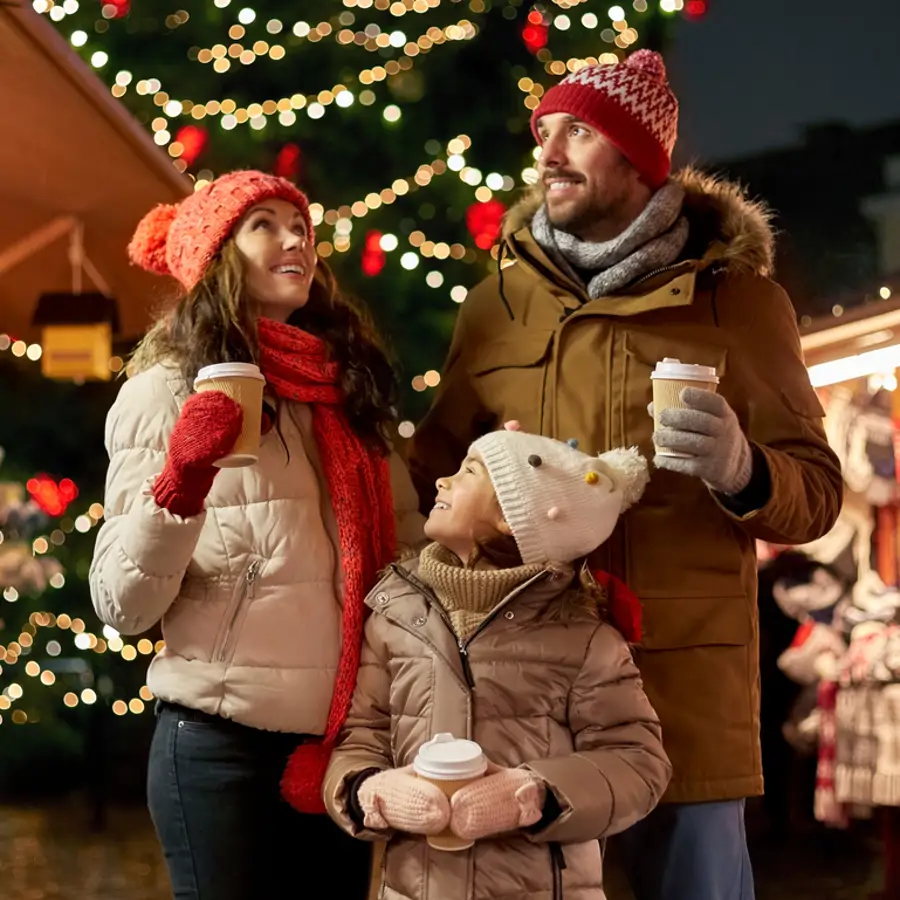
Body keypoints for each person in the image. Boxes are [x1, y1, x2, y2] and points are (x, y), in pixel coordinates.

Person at [408, 50, 843, 900]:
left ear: (641, 159)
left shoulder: (739, 303)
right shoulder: (494, 305)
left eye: (579, 131)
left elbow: (816, 494)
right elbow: (430, 479)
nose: (549, 151)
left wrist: (742, 468)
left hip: (682, 696)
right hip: (530, 706)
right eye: (544, 131)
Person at [89, 170, 423, 900]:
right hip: (220, 747)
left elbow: (411, 554)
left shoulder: (347, 387)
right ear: (217, 257)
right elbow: (122, 604)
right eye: (263, 224)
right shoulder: (167, 388)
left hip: (342, 747)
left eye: (299, 224)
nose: (294, 238)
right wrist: (180, 480)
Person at [323, 425, 672, 899]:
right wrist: (369, 792)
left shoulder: (584, 639)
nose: (442, 481)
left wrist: (533, 797)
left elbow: (639, 761)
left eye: (467, 472)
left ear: (513, 517)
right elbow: (362, 734)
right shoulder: (394, 616)